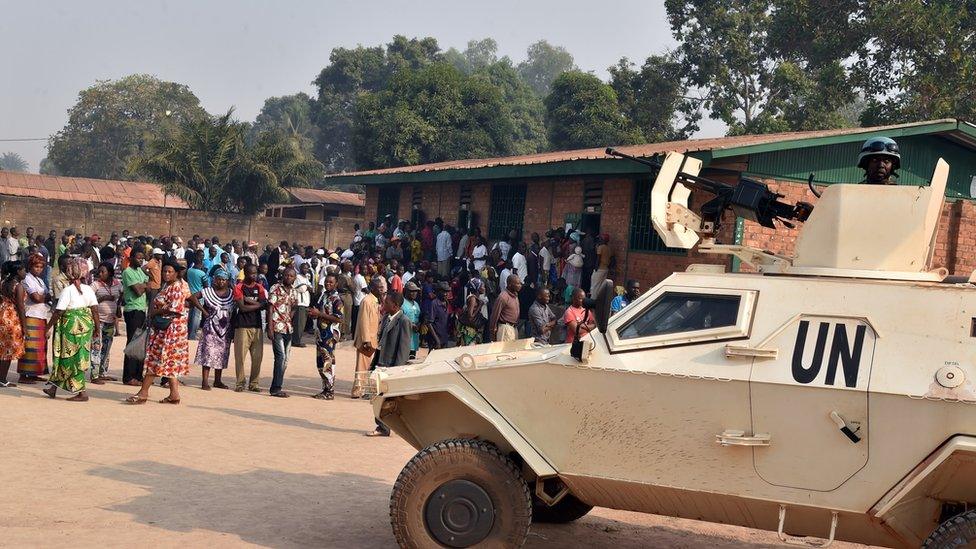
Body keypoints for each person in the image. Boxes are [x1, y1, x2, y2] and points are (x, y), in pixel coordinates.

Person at [125, 261, 190, 404]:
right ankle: (174, 395)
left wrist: (155, 312)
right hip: (167, 329)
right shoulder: (169, 286)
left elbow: (175, 308)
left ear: (176, 273)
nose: (166, 274)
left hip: (170, 330)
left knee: (155, 359)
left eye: (170, 272)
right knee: (169, 361)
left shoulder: (177, 288)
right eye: (164, 271)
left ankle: (143, 393)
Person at [43, 258, 99, 402]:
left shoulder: (67, 290)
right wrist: (97, 328)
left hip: (71, 327)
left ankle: (82, 393)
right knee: (71, 356)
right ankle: (53, 388)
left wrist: (47, 327)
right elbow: (94, 310)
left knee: (71, 357)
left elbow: (58, 312)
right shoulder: (88, 289)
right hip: (86, 326)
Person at [368, 290, 412, 437]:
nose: (384, 304)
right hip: (381, 362)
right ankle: (382, 425)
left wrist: (397, 370)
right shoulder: (387, 317)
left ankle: (384, 427)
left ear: (395, 305)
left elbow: (404, 348)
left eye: (387, 302)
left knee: (385, 398)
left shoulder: (403, 321)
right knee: (377, 396)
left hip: (391, 366)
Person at [193, 269, 234, 391]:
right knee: (208, 353)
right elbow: (192, 297)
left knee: (222, 354)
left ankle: (218, 380)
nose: (221, 282)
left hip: (225, 330)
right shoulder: (208, 291)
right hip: (210, 328)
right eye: (219, 279)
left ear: (227, 281)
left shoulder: (231, 293)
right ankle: (204, 381)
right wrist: (203, 311)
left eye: (224, 280)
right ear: (214, 280)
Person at [232, 264, 267, 392]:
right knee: (240, 356)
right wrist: (258, 305)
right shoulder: (239, 287)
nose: (254, 276)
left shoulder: (260, 287)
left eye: (255, 273)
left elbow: (265, 304)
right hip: (242, 326)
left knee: (257, 357)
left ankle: (254, 383)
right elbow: (242, 308)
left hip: (257, 326)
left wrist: (249, 301)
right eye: (251, 273)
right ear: (245, 273)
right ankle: (240, 382)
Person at [19, 253, 51, 384]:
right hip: (31, 315)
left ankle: (34, 373)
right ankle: (24, 375)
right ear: (30, 266)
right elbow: (35, 298)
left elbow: (45, 296)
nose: (39, 269)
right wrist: (44, 297)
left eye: (41, 267)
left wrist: (43, 297)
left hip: (41, 315)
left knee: (40, 347)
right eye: (36, 266)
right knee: (30, 347)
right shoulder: (27, 279)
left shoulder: (41, 280)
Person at [267, 266, 298, 398]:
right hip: (276, 326)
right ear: (282, 275)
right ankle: (275, 388)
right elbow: (269, 308)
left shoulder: (294, 291)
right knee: (280, 357)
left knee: (286, 359)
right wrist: (269, 327)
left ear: (294, 278)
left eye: (291, 276)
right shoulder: (275, 288)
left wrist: (289, 316)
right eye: (286, 275)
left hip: (288, 327)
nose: (288, 278)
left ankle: (278, 384)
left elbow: (295, 306)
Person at [311, 273, 343, 400]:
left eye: (331, 282)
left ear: (336, 284)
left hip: (329, 335)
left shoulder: (337, 299)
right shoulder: (323, 296)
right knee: (320, 363)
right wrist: (314, 314)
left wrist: (320, 314)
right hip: (320, 334)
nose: (328, 284)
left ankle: (330, 391)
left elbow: (339, 318)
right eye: (326, 282)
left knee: (327, 362)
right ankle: (325, 389)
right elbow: (319, 311)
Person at [91, 262, 123, 384]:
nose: (100, 274)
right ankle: (94, 375)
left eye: (103, 271)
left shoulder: (117, 284)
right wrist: (102, 299)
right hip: (98, 321)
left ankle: (102, 372)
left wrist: (118, 305)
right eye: (99, 271)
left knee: (107, 347)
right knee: (96, 347)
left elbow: (121, 295)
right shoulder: (95, 285)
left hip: (110, 320)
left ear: (109, 273)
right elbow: (89, 300)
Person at [352, 277, 384, 399]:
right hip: (367, 341)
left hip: (373, 339)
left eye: (382, 288)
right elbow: (364, 321)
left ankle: (364, 389)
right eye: (379, 288)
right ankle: (357, 391)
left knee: (368, 367)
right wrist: (366, 340)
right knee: (362, 367)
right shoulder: (367, 301)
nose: (382, 290)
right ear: (372, 288)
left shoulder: (375, 300)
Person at [121, 249, 150, 386]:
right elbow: (138, 291)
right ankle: (128, 376)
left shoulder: (140, 271)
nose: (140, 260)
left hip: (141, 309)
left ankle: (138, 375)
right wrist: (144, 286)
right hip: (132, 310)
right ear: (131, 258)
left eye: (142, 258)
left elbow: (149, 286)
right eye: (138, 258)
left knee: (140, 344)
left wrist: (143, 285)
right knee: (132, 343)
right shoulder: (128, 272)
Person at [0, 261, 26, 387]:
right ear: (17, 272)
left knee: (2, 347)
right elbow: (21, 307)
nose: (24, 272)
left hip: (2, 315)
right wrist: (25, 327)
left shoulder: (3, 283)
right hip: (12, 317)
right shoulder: (18, 287)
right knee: (9, 349)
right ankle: (2, 379)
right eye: (23, 270)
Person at [489, 274, 522, 342]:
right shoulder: (503, 297)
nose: (520, 285)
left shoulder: (515, 295)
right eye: (518, 284)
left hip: (514, 328)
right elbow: (495, 315)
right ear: (510, 284)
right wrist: (493, 332)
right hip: (505, 328)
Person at [186, 251, 208, 340]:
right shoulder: (202, 274)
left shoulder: (189, 270)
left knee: (189, 320)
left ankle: (187, 337)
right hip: (199, 300)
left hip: (189, 297)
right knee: (195, 321)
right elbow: (206, 286)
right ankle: (192, 339)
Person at [291, 263, 311, 348]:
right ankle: (296, 341)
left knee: (302, 323)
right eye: (304, 268)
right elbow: (302, 288)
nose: (305, 270)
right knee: (299, 324)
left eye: (307, 268)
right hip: (300, 303)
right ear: (300, 268)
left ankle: (297, 339)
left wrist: (307, 286)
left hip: (305, 303)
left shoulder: (306, 277)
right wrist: (307, 287)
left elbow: (310, 287)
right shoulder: (298, 277)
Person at [401, 281, 422, 359]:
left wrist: (419, 324)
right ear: (405, 291)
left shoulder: (416, 304)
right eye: (411, 291)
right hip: (405, 337)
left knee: (412, 359)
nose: (414, 293)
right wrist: (410, 325)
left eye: (415, 291)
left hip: (414, 338)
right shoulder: (402, 303)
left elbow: (418, 317)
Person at [428, 281, 450, 349]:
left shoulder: (447, 303)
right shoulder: (434, 304)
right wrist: (437, 340)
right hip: (435, 339)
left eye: (447, 292)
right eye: (444, 292)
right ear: (438, 292)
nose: (446, 294)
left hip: (444, 337)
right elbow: (429, 324)